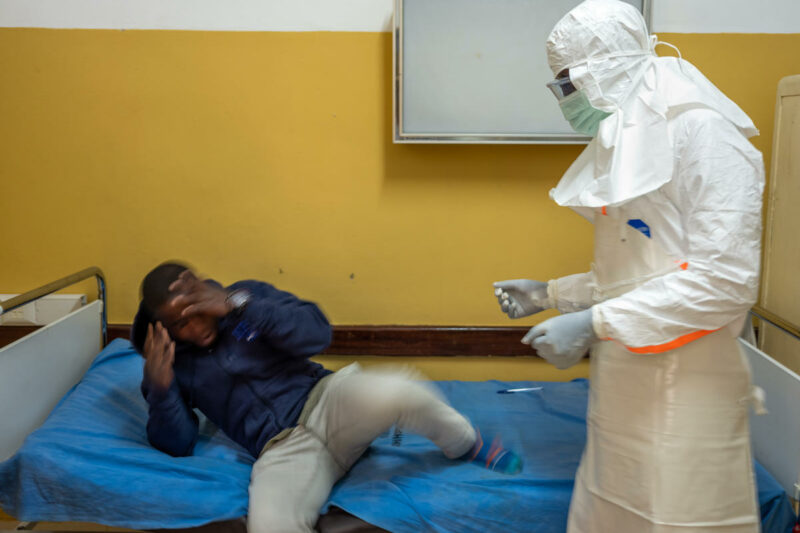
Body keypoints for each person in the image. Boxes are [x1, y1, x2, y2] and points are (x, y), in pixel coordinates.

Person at [493, 0, 764, 531]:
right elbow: (635, 273)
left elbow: (725, 283)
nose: (564, 99)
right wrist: (549, 294)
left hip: (688, 394)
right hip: (622, 389)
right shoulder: (628, 145)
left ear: (604, 69)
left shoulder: (703, 136)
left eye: (567, 84)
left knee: (678, 517)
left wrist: (593, 323)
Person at [131, 261, 521, 533]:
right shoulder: (170, 363)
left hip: (328, 401)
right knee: (270, 527)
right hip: (281, 451)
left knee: (400, 389)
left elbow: (317, 333)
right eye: (177, 324)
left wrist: (238, 303)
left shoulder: (245, 299)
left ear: (202, 290)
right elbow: (177, 442)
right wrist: (161, 387)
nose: (192, 327)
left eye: (195, 312)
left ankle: (466, 444)